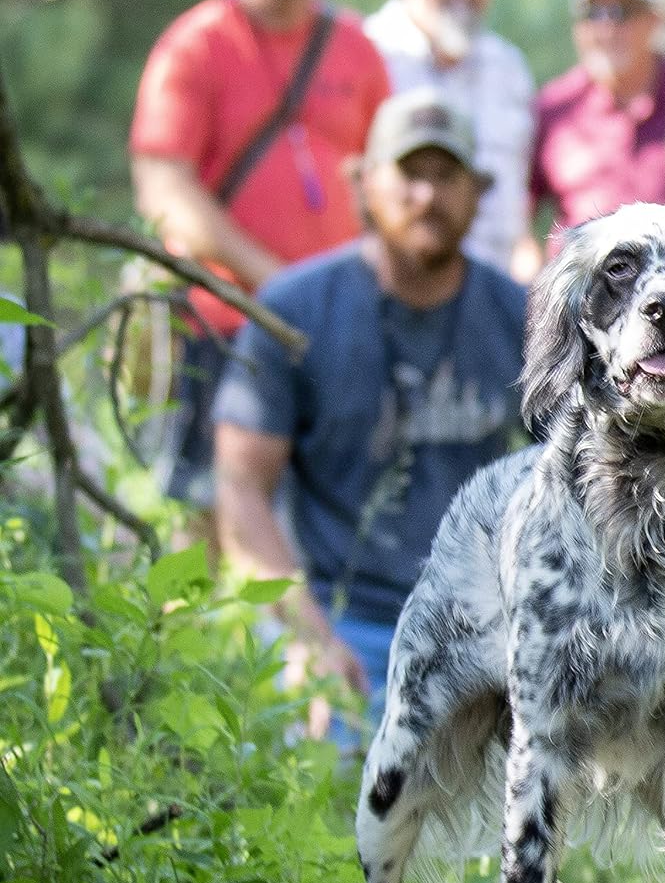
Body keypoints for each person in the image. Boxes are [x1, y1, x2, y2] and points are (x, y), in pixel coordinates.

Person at [213, 90, 529, 748]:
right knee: (315, 759)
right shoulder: (292, 310)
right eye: (409, 173)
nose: (427, 195)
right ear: (363, 184)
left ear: (478, 192)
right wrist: (308, 639)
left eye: (447, 176)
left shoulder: (525, 319)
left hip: (482, 631)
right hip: (338, 621)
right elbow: (240, 487)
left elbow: (586, 478)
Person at [131, 0, 390, 531]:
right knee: (206, 514)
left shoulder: (357, 49)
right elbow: (162, 185)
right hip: (222, 325)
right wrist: (276, 285)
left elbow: (387, 184)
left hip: (334, 331)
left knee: (330, 516)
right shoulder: (196, 45)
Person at [365, 0, 534, 274]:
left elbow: (516, 204)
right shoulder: (368, 54)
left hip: (491, 289)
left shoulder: (509, 69)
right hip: (393, 287)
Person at [518, 0, 665, 278]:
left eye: (621, 11)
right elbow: (518, 217)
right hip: (583, 300)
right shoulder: (554, 107)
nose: (606, 27)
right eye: (593, 12)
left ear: (654, 19)